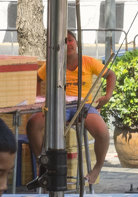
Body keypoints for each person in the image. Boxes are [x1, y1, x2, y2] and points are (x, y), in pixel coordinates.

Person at [26, 29, 114, 185]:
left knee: (103, 133)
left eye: (71, 40)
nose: (68, 44)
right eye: (64, 41)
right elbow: (38, 78)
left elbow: (111, 75)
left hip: (83, 106)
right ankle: (43, 165)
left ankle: (97, 168)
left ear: (76, 43)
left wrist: (107, 97)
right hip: (58, 106)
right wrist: (40, 99)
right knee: (33, 123)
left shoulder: (89, 61)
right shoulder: (53, 63)